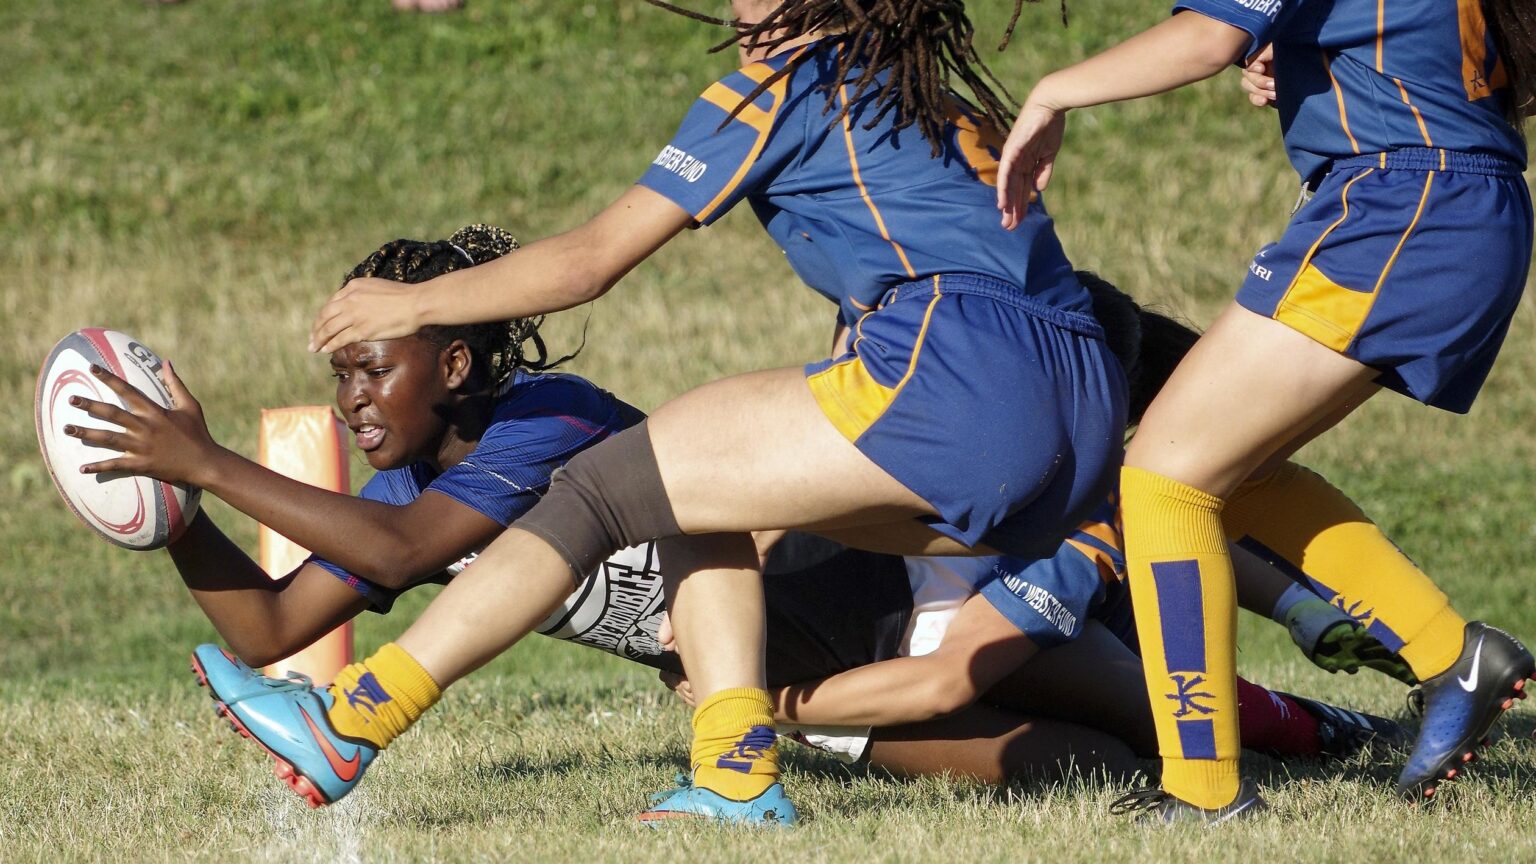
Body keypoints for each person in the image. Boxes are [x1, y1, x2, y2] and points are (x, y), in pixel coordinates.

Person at [227, 0, 1130, 825]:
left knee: (598, 490)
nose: (735, 6)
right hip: (1081, 416)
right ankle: (735, 774)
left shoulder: (789, 77)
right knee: (695, 490)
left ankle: (353, 718)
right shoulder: (925, 90)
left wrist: (417, 304)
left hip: (961, 374)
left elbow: (590, 260)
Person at [992, 0, 1536, 821]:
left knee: (1164, 482)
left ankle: (1204, 789)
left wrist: (1051, 91)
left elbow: (1207, 38)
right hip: (1439, 198)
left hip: (1401, 203)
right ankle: (1450, 656)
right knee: (1223, 474)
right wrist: (1323, 63)